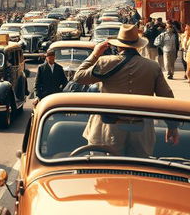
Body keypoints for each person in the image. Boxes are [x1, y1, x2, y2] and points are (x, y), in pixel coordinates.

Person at [73, 23, 177, 157]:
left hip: (107, 128)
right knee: (138, 170)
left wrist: (95, 54)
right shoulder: (152, 66)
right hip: (141, 130)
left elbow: (79, 76)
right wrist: (172, 126)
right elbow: (167, 98)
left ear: (117, 45)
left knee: (106, 171)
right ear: (138, 45)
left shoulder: (105, 62)